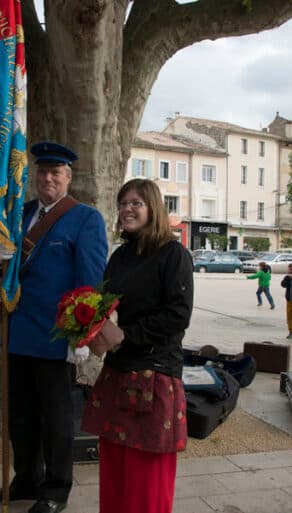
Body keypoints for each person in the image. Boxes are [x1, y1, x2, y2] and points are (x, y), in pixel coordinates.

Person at [0, 142, 107, 513]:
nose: (48, 178)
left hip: (56, 336)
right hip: (19, 329)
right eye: (42, 171)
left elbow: (90, 281)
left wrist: (82, 336)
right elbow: (6, 273)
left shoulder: (85, 218)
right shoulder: (20, 213)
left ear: (68, 178)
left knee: (56, 419)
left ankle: (56, 489)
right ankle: (26, 478)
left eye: (56, 172)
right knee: (20, 413)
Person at [81, 178, 193, 513]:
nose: (127, 209)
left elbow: (178, 315)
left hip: (154, 374)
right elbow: (106, 306)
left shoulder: (174, 255)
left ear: (153, 208)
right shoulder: (121, 256)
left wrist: (128, 335)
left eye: (136, 203)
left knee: (146, 474)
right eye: (123, 202)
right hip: (117, 371)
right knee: (115, 465)